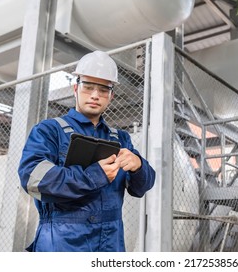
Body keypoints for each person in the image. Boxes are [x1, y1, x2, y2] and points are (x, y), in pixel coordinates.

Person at [18, 50, 156, 252]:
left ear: (111, 95)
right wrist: (94, 176)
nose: (94, 95)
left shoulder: (121, 139)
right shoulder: (50, 130)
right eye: (88, 87)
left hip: (111, 241)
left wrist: (138, 166)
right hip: (63, 241)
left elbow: (141, 188)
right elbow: (33, 178)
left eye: (103, 90)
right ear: (75, 88)